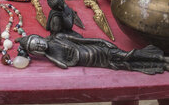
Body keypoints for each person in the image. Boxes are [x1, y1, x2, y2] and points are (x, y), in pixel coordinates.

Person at [19, 33, 169, 75]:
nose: (40, 45)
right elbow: (64, 66)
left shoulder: (58, 37)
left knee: (127, 55)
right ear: (36, 53)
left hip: (96, 51)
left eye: (37, 41)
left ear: (39, 37)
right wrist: (46, 55)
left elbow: (82, 40)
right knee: (127, 65)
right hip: (96, 62)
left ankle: (160, 58)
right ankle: (156, 63)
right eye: (36, 48)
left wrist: (102, 42)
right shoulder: (53, 57)